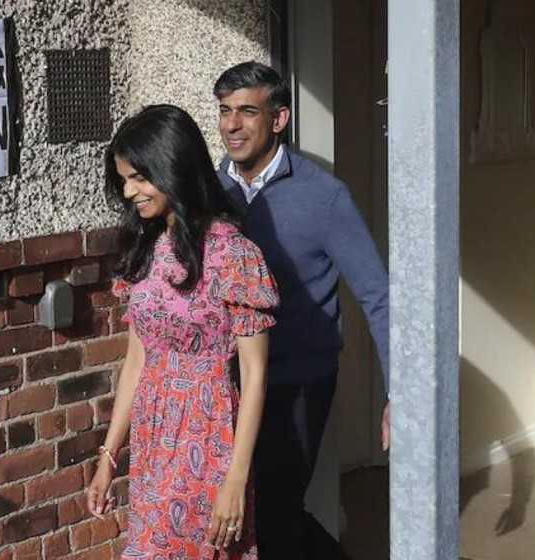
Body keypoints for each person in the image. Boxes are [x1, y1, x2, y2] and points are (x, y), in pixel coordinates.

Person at [212, 61, 391, 558]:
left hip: (297, 382)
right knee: (239, 510)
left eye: (247, 111)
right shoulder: (209, 192)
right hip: (224, 384)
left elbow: (378, 295)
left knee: (274, 512)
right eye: (225, 111)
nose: (231, 125)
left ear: (279, 118)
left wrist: (400, 391)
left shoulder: (324, 196)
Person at [86, 104, 279, 560]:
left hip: (208, 434)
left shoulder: (235, 255)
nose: (130, 191)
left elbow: (254, 375)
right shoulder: (146, 252)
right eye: (124, 180)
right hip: (154, 438)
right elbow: (138, 361)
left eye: (139, 177)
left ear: (172, 168)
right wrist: (109, 457)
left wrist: (235, 478)